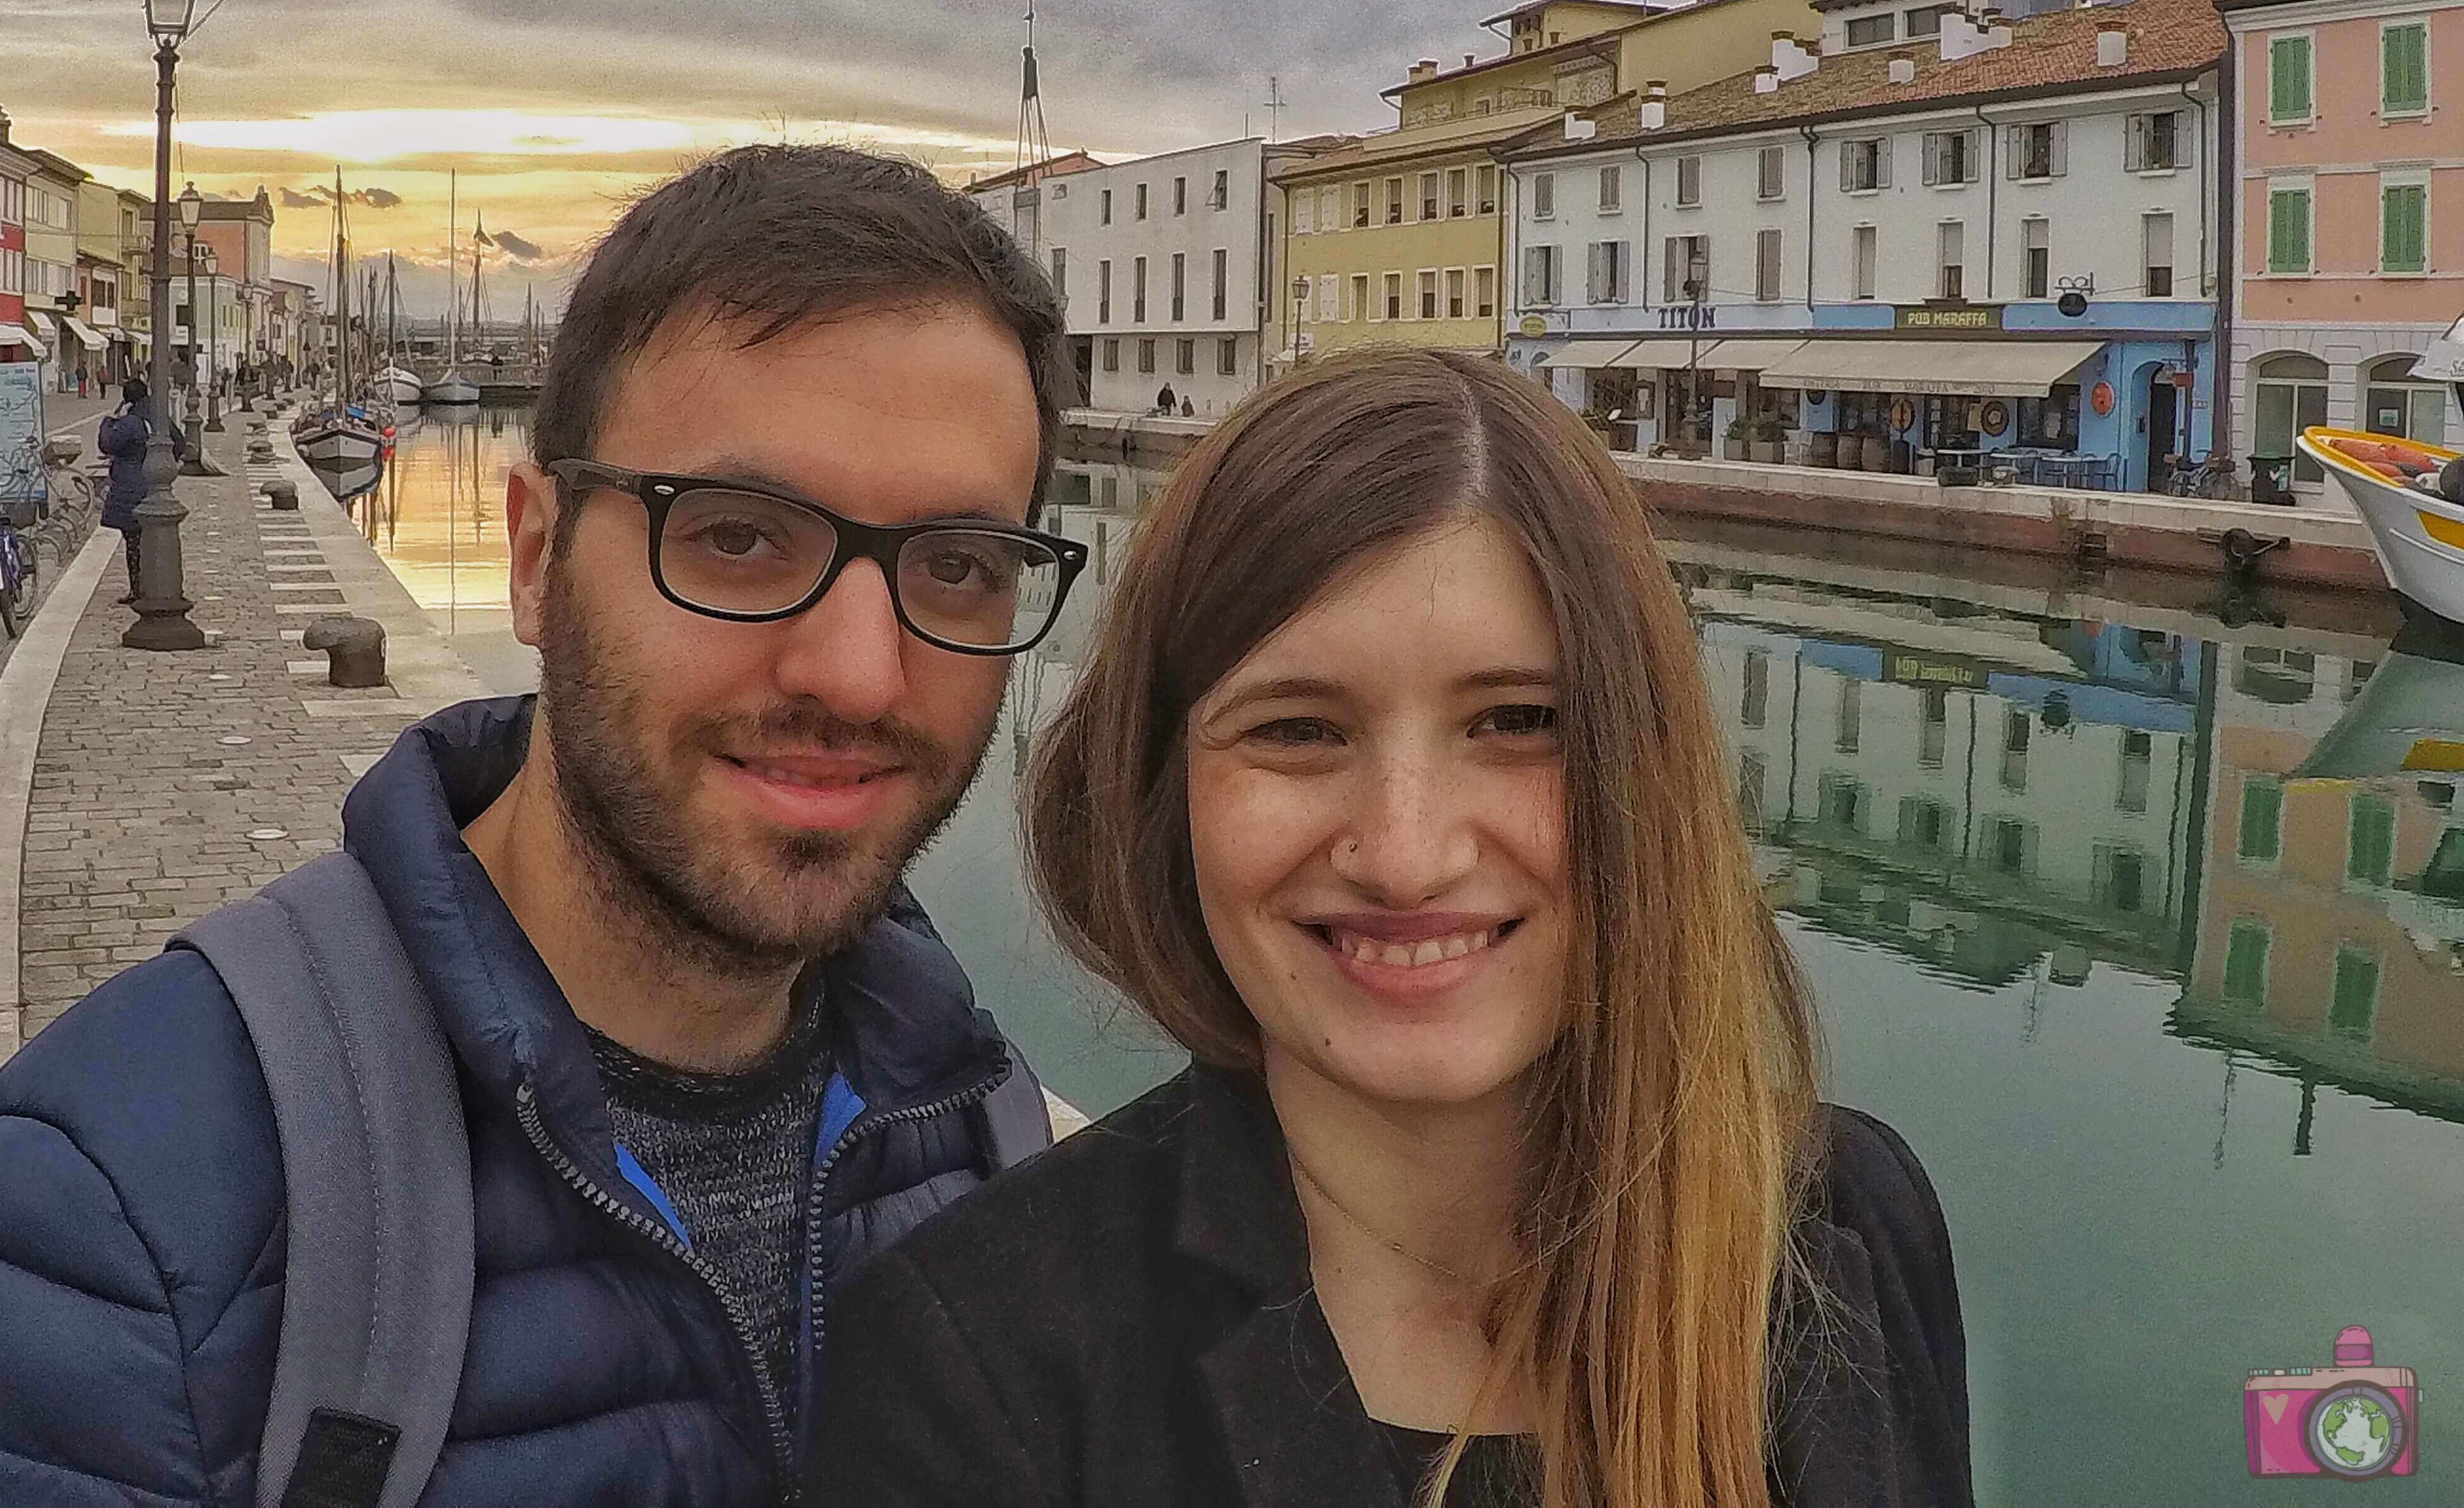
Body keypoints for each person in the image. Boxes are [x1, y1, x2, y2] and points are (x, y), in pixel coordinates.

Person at [0, 145, 1084, 1504]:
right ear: (538, 558)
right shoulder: (113, 1232)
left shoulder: (981, 1131)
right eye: (733, 537)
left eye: (957, 567)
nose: (856, 671)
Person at [812, 348, 1973, 1508]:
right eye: (1299, 732)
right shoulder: (978, 1366)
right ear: (1165, 797)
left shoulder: (1844, 1223)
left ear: (1645, 770)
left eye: (1518, 721)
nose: (1409, 856)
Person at [95, 374, 158, 602]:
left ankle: (138, 588)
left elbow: (106, 444)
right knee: (148, 538)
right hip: (154, 484)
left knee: (133, 539)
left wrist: (109, 420)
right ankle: (150, 583)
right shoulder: (156, 417)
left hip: (131, 486)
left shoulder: (130, 423)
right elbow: (180, 444)